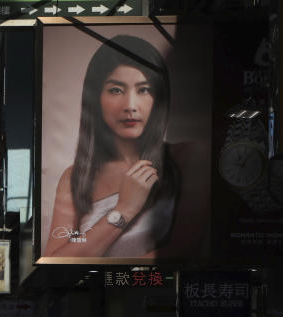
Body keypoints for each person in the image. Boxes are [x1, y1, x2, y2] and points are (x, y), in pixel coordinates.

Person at [44, 35, 207, 259]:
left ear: (159, 98)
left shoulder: (187, 159)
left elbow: (188, 251)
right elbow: (56, 262)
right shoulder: (75, 177)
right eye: (116, 90)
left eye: (143, 90)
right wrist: (124, 209)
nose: (130, 106)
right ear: (96, 98)